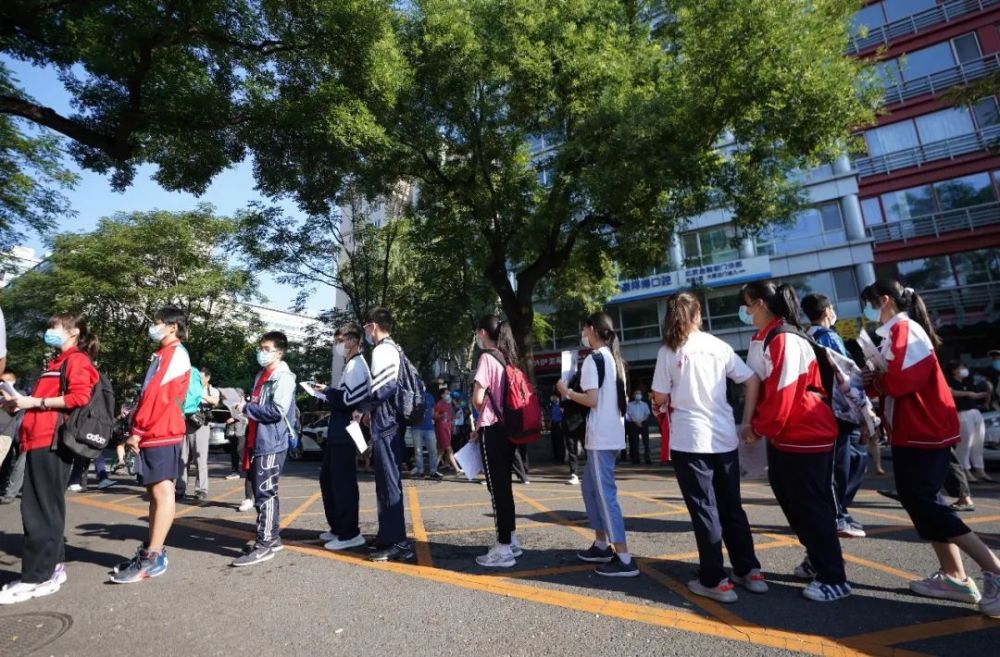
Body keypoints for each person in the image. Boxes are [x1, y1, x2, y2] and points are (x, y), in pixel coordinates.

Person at [861, 279, 1000, 618]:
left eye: (869, 304)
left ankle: (993, 569)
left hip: (924, 429)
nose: (868, 312)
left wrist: (870, 380)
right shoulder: (899, 331)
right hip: (916, 430)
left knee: (925, 503)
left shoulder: (904, 328)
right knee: (924, 501)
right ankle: (953, 575)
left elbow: (901, 381)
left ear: (884, 300)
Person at [738, 281, 849, 602]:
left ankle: (834, 576)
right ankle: (818, 558)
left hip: (807, 433)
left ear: (760, 303)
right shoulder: (769, 336)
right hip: (789, 436)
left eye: (747, 304)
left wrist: (758, 427)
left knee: (812, 505)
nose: (745, 311)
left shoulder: (784, 337)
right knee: (794, 500)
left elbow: (785, 392)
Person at [652, 292, 766, 602]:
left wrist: (665, 399)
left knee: (705, 508)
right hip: (724, 436)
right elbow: (751, 380)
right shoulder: (719, 346)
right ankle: (749, 570)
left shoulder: (668, 351)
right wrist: (745, 421)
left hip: (689, 440)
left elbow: (659, 397)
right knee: (731, 506)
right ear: (698, 313)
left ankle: (715, 578)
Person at [0, 312, 99, 604]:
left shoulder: (76, 361)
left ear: (73, 333)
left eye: (54, 327)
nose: (49, 331)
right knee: (44, 509)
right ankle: (52, 570)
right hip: (37, 440)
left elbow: (79, 397)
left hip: (52, 441)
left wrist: (34, 402)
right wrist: (17, 403)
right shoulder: (55, 363)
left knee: (38, 510)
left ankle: (37, 577)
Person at [110, 307, 192, 584]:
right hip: (156, 430)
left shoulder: (175, 354)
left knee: (162, 490)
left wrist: (139, 430)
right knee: (156, 491)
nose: (153, 327)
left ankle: (153, 556)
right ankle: (152, 550)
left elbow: (159, 397)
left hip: (160, 430)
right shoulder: (163, 355)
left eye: (157, 323)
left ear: (172, 327)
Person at [557, 312, 639, 578]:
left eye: (584, 328)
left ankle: (624, 558)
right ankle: (602, 543)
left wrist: (566, 392)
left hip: (601, 436)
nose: (583, 333)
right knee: (591, 488)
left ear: (591, 329)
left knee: (604, 494)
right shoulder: (615, 360)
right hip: (611, 433)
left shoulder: (594, 359)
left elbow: (592, 400)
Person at [801, 293, 868, 540]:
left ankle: (838, 511)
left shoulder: (807, 337)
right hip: (841, 409)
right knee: (845, 464)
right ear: (828, 310)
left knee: (846, 461)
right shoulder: (828, 336)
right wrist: (864, 412)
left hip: (823, 408)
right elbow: (847, 375)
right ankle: (837, 513)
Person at [231, 331, 297, 566]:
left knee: (265, 492)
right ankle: (273, 538)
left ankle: (264, 543)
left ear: (279, 352)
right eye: (261, 347)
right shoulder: (262, 374)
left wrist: (247, 407)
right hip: (258, 439)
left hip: (272, 441)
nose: (262, 352)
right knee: (265, 491)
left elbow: (277, 411)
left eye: (266, 348)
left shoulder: (283, 377)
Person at [470, 315, 523, 567]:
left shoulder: (487, 358)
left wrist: (480, 420)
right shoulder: (506, 357)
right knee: (505, 487)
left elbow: (478, 398)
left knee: (497, 489)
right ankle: (510, 539)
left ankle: (503, 549)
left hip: (492, 429)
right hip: (508, 429)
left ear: (482, 333)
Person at [361, 307, 413, 562]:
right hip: (390, 422)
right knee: (385, 482)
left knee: (390, 483)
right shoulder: (394, 348)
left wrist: (364, 409)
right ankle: (387, 535)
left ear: (373, 325)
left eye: (366, 328)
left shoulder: (383, 349)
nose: (366, 333)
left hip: (387, 423)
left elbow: (384, 387)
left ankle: (398, 543)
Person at [317, 323, 370, 551]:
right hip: (339, 431)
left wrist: (327, 391)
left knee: (343, 483)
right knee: (329, 480)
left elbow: (349, 400)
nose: (338, 345)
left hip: (346, 433)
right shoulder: (350, 365)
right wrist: (326, 390)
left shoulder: (356, 366)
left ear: (352, 341)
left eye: (340, 340)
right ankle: (339, 527)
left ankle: (350, 532)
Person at [947, 359, 993, 483]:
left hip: (975, 412)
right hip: (962, 413)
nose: (963, 369)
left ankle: (980, 470)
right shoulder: (950, 381)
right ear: (954, 371)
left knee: (978, 442)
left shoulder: (969, 380)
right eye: (960, 367)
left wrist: (985, 395)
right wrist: (968, 394)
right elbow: (950, 392)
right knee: (965, 444)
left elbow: (977, 392)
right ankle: (965, 470)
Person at [177, 366, 220, 501]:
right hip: (186, 424)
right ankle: (180, 488)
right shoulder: (188, 388)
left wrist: (199, 393)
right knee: (182, 459)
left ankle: (201, 490)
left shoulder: (211, 390)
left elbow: (215, 401)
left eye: (200, 377)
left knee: (200, 460)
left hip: (201, 426)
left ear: (207, 378)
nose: (197, 380)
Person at [0, 371, 25, 499]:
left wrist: (5, 392)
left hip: (7, 434)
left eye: (4, 382)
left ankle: (6, 488)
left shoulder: (19, 396)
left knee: (9, 462)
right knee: (6, 462)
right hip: (7, 434)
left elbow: (15, 406)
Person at [410, 387, 441, 480]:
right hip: (417, 428)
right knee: (419, 452)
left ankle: (433, 471)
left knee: (432, 451)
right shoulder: (413, 396)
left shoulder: (429, 396)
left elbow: (432, 412)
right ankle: (421, 471)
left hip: (428, 428)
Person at [434, 389, 461, 476]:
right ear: (442, 395)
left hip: (448, 429)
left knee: (441, 451)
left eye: (449, 393)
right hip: (441, 429)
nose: (448, 395)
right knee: (449, 449)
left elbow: (453, 413)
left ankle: (433, 469)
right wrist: (441, 415)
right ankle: (457, 469)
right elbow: (434, 416)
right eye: (446, 393)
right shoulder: (439, 404)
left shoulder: (448, 404)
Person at [625, 390, 652, 465]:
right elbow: (629, 414)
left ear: (641, 395)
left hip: (643, 424)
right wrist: (636, 422)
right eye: (636, 393)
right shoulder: (630, 405)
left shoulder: (645, 404)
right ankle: (636, 458)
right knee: (634, 442)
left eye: (639, 393)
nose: (638, 395)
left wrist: (641, 421)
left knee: (646, 442)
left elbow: (647, 414)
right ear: (634, 395)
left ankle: (647, 458)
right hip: (633, 424)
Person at [549, 391, 565, 464]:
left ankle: (561, 458)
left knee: (560, 442)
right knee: (554, 441)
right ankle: (556, 457)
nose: (553, 398)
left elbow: (563, 414)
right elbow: (552, 414)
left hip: (559, 424)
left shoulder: (561, 405)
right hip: (554, 424)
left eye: (555, 397)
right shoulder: (552, 405)